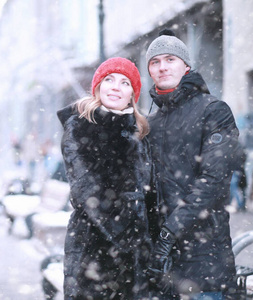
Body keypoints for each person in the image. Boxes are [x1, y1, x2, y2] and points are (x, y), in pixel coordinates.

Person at [145, 29, 242, 299]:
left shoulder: (214, 110)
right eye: (155, 62)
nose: (162, 67)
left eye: (170, 59)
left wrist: (170, 231)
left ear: (186, 65)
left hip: (204, 258)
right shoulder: (150, 122)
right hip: (161, 264)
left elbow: (213, 181)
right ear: (150, 71)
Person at [57, 57, 154, 299]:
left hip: (134, 255)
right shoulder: (81, 125)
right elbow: (86, 189)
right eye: (109, 80)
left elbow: (146, 189)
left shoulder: (138, 130)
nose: (115, 87)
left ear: (133, 93)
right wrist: (127, 237)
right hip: (93, 249)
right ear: (98, 86)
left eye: (124, 82)